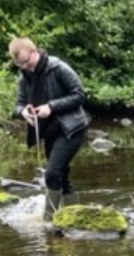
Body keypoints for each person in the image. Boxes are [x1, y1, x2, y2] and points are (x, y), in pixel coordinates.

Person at [9, 37, 88, 222]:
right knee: (62, 176)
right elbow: (19, 104)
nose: (24, 66)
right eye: (20, 64)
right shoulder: (24, 75)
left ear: (34, 52)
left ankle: (48, 221)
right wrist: (23, 112)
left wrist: (51, 107)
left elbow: (79, 95)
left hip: (71, 128)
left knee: (52, 174)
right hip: (49, 131)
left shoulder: (58, 68)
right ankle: (74, 218)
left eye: (26, 61)